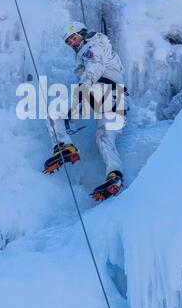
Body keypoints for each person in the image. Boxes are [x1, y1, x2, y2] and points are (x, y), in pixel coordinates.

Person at [43, 22, 127, 201]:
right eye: (69, 42)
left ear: (82, 33)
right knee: (104, 139)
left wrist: (84, 86)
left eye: (73, 38)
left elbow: (95, 65)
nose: (73, 43)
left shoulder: (90, 46)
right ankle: (115, 175)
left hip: (99, 90)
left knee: (54, 112)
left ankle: (64, 145)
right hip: (117, 98)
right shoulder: (103, 45)